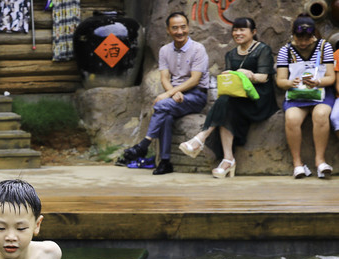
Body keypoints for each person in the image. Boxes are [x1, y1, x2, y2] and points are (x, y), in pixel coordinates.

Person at [178, 17, 278, 178]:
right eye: (235, 30)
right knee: (226, 102)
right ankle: (227, 159)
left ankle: (201, 138)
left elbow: (264, 77)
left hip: (259, 98)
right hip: (238, 96)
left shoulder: (262, 49)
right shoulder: (231, 54)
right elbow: (232, 81)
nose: (237, 33)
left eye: (242, 30)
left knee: (226, 103)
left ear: (253, 32)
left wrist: (248, 74)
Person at [119, 11, 209, 175]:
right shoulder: (165, 51)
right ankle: (165, 162)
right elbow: (164, 78)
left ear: (188, 27)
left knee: (161, 104)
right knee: (165, 115)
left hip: (196, 95)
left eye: (183, 27)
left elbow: (195, 79)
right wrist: (172, 93)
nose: (180, 31)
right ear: (168, 30)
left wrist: (170, 93)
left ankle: (144, 145)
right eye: (175, 28)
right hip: (176, 95)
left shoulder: (198, 49)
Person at [275, 14, 336, 179]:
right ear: (293, 35)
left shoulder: (324, 47)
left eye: (307, 39)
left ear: (313, 35)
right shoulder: (285, 50)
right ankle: (297, 164)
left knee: (321, 114)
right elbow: (280, 80)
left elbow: (331, 77)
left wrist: (317, 82)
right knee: (292, 118)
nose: (302, 42)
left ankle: (320, 161)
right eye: (298, 38)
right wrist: (290, 83)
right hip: (296, 95)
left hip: (321, 93)